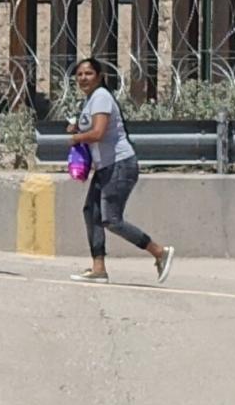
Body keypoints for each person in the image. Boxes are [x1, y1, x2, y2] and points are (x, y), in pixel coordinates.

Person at [67, 57, 170, 283]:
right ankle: (98, 269)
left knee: (111, 219)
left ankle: (159, 252)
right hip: (106, 166)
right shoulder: (91, 100)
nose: (83, 78)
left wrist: (76, 137)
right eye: (80, 74)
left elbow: (98, 133)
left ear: (100, 76)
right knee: (91, 213)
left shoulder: (101, 97)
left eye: (88, 74)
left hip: (119, 165)